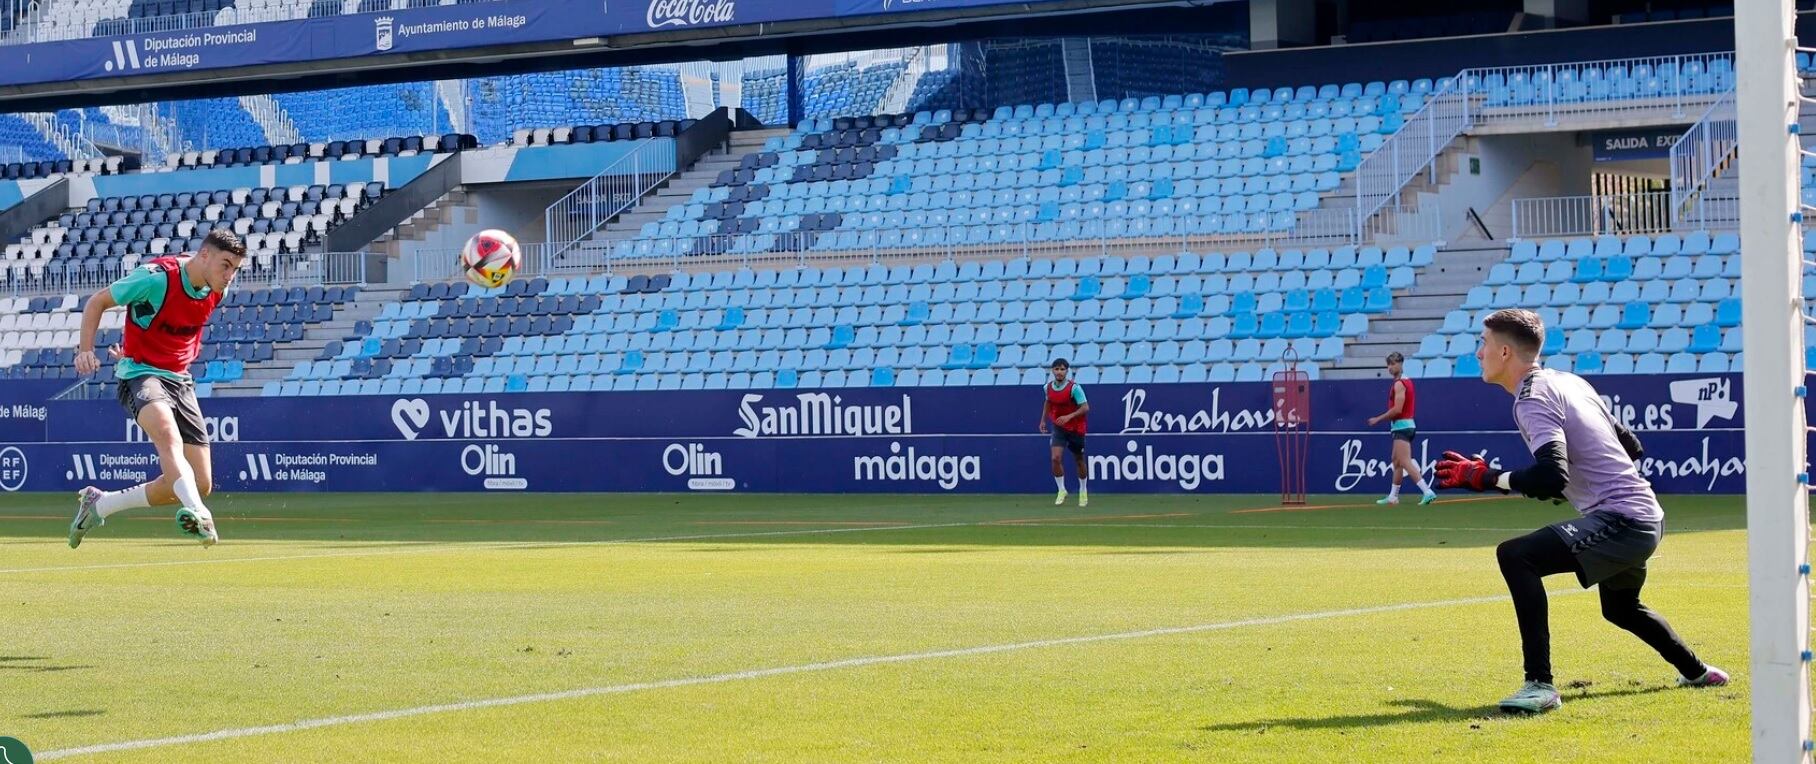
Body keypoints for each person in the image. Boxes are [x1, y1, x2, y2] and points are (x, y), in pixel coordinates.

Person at [1434, 309, 1728, 714]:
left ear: (1504, 351)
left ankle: (1540, 685)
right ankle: (1697, 671)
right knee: (1621, 609)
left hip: (1624, 520)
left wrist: (1485, 477)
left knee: (1515, 556)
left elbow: (1552, 475)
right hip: (1642, 515)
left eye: (1482, 343)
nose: (1478, 352)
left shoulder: (1532, 398)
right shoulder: (1569, 381)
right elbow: (1631, 446)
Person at [67, 229, 247, 549]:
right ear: (203, 255)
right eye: (226, 265)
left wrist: (142, 341)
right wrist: (85, 349)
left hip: (181, 380)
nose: (230, 275)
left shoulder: (215, 290)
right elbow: (98, 301)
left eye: (235, 269)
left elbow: (168, 329)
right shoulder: (155, 277)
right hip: (140, 374)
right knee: (167, 435)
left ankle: (100, 504)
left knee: (200, 481)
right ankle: (198, 513)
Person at [1366, 351, 1436, 506]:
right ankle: (1393, 496)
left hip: (1402, 426)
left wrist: (1378, 419)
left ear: (1400, 364)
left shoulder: (1400, 384)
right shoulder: (1405, 382)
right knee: (1396, 461)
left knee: (1404, 461)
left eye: (1393, 364)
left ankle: (1427, 491)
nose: (1390, 367)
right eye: (1388, 364)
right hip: (1404, 426)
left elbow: (1398, 409)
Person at [1037, 358, 1089, 507]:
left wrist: (1069, 416)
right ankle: (1061, 490)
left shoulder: (1074, 388)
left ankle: (1083, 490)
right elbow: (1048, 402)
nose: (1059, 372)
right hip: (1059, 427)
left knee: (1079, 460)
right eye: (1056, 369)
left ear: (1067, 371)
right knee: (1055, 458)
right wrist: (1043, 420)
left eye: (1062, 369)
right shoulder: (1047, 387)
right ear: (1052, 371)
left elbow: (1085, 407)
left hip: (1076, 428)